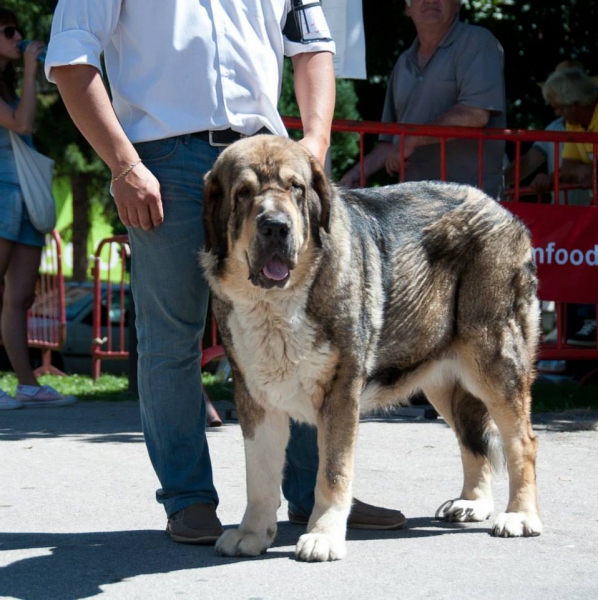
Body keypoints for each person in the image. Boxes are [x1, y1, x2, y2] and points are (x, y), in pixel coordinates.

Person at [45, 0, 405, 543]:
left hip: (267, 160)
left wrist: (315, 144)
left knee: (305, 336)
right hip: (162, 163)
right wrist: (124, 165)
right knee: (171, 339)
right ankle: (188, 501)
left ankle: (318, 498)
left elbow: (313, 45)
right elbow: (71, 59)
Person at [340, 0, 506, 198]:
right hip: (414, 207)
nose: (430, 0)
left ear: (457, 5)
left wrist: (412, 140)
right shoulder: (403, 63)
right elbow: (390, 143)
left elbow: (476, 114)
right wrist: (357, 173)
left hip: (470, 206)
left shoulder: (477, 41)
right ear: (407, 8)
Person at [0, 7, 77, 410]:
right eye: (7, 32)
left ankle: (27, 384)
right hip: (1, 192)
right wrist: (31, 68)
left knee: (22, 296)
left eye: (17, 31)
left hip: (25, 195)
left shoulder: (10, 83)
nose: (17, 38)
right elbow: (22, 124)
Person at [540, 67, 598, 346]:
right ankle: (584, 326)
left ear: (575, 104)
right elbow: (571, 168)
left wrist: (591, 172)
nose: (557, 115)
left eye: (559, 108)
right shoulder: (576, 122)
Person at [504, 61, 593, 206]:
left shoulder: (580, 121)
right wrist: (494, 183)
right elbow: (528, 161)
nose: (556, 111)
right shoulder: (556, 127)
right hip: (569, 214)